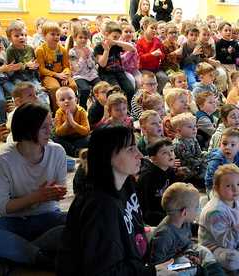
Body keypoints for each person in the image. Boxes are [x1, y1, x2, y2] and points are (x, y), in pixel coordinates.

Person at [57, 126, 176, 275]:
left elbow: (135, 230)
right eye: (131, 149)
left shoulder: (126, 183)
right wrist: (152, 272)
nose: (140, 154)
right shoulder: (101, 207)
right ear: (108, 155)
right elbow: (105, 271)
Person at [0, 103, 67, 270]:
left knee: (83, 221)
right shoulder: (1, 162)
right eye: (44, 127)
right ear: (28, 129)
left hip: (48, 218)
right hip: (15, 223)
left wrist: (55, 193)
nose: (50, 130)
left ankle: (16, 254)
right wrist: (38, 196)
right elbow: (3, 208)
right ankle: (38, 257)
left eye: (50, 125)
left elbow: (59, 192)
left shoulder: (57, 151)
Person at [150, 182, 225, 276]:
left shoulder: (184, 222)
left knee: (204, 251)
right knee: (189, 265)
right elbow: (156, 265)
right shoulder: (164, 234)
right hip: (169, 266)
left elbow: (188, 243)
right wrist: (185, 260)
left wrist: (191, 254)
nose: (199, 210)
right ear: (184, 212)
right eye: (196, 207)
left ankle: (215, 272)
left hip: (184, 253)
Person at [35, 21, 77, 112]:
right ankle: (58, 112)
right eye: (52, 34)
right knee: (55, 88)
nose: (56, 37)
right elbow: (41, 69)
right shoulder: (40, 50)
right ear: (44, 35)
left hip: (62, 74)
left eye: (58, 34)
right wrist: (57, 75)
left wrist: (65, 75)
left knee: (72, 85)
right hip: (48, 75)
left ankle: (72, 110)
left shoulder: (62, 49)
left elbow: (66, 66)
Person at [94, 21, 137, 103]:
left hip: (119, 72)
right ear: (106, 34)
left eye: (118, 37)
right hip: (106, 73)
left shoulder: (116, 44)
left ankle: (129, 110)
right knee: (116, 91)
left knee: (130, 89)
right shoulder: (99, 47)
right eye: (114, 37)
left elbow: (133, 49)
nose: (116, 39)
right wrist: (106, 50)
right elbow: (102, 64)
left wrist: (116, 42)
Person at [67, 25, 100, 110]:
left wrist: (88, 57)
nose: (83, 40)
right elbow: (76, 69)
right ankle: (82, 108)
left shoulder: (90, 50)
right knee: (85, 90)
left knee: (100, 87)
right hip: (79, 76)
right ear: (75, 38)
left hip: (91, 75)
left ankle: (98, 107)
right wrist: (82, 58)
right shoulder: (72, 52)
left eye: (85, 38)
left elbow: (92, 66)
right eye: (80, 37)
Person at [172, 112, 207, 189]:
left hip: (195, 165)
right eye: (190, 127)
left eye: (195, 126)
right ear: (179, 130)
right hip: (186, 168)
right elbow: (190, 161)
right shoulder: (178, 144)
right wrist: (204, 159)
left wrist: (205, 156)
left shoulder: (193, 138)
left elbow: (199, 153)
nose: (194, 129)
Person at [53, 87, 90, 157]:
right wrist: (66, 124)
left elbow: (86, 131)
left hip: (78, 136)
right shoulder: (59, 113)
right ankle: (76, 151)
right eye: (62, 100)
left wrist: (73, 123)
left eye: (70, 98)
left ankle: (73, 150)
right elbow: (58, 132)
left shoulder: (81, 111)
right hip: (65, 137)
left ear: (76, 100)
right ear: (58, 103)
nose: (66, 101)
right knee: (55, 138)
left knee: (89, 138)